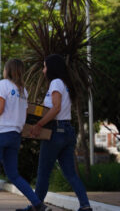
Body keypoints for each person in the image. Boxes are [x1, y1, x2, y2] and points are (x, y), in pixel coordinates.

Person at [0, 59, 51, 211]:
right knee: (13, 175)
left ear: (8, 70)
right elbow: (24, 115)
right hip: (14, 136)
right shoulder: (23, 91)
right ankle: (38, 204)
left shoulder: (3, 84)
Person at [17, 54, 92, 211]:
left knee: (43, 172)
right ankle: (85, 205)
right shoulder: (64, 84)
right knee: (70, 173)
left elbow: (56, 108)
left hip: (55, 132)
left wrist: (39, 124)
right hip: (67, 131)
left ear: (52, 68)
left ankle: (36, 206)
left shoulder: (56, 83)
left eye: (45, 67)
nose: (43, 71)